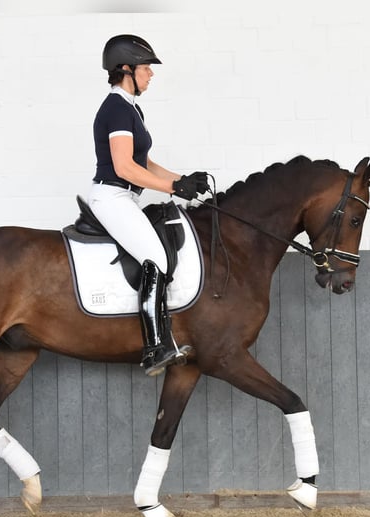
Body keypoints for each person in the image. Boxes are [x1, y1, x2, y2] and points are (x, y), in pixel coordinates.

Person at [88, 34, 210, 377]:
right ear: (126, 70)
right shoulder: (115, 108)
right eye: (146, 68)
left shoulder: (130, 108)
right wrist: (173, 186)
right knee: (155, 258)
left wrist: (183, 181)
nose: (151, 75)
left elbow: (145, 162)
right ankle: (154, 349)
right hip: (111, 195)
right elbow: (125, 168)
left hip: (124, 196)